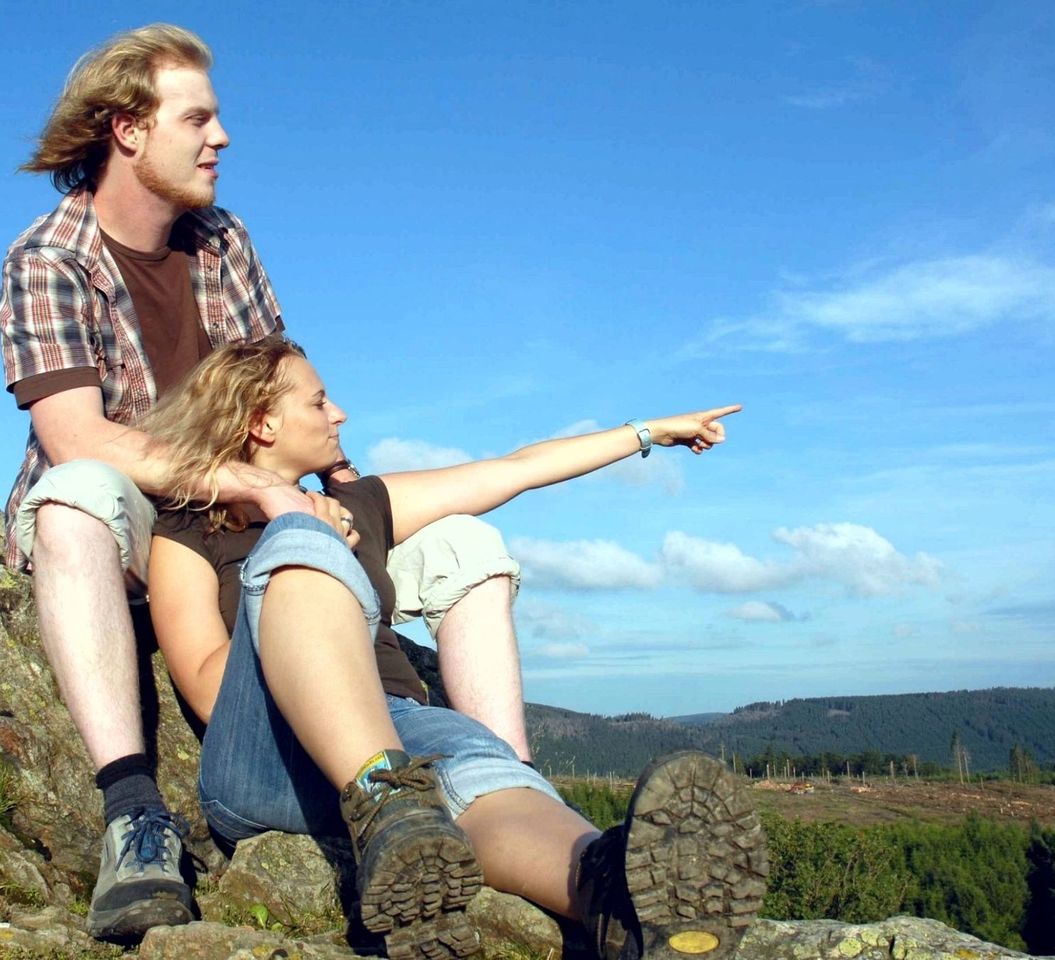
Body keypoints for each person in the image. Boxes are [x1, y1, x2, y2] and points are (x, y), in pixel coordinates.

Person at [0, 24, 532, 941]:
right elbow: (77, 433)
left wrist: (340, 486)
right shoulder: (47, 259)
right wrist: (256, 485)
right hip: (140, 518)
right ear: (127, 128)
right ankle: (134, 815)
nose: (223, 137)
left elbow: (282, 381)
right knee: (76, 496)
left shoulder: (223, 241)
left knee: (471, 546)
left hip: (245, 519)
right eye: (198, 116)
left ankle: (511, 785)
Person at [142, 337, 768, 960]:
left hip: (403, 723)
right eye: (320, 401)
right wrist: (300, 541)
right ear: (262, 422)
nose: (340, 415)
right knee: (301, 554)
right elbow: (203, 684)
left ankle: (612, 895)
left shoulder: (361, 504)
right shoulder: (187, 528)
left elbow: (516, 468)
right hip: (270, 753)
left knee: (488, 780)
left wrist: (650, 431)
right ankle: (386, 803)